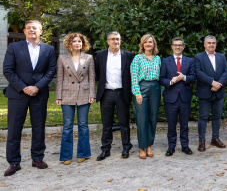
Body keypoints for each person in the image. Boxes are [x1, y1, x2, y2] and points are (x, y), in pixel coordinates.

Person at [3, 20, 56, 176]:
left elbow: (51, 71)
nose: (32, 30)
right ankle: (13, 162)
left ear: (41, 31)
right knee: (14, 129)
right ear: (24, 31)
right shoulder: (14, 47)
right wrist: (24, 87)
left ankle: (37, 158)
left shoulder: (49, 49)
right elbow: (8, 70)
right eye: (29, 28)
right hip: (17, 94)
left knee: (38, 128)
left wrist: (37, 86)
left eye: (35, 28)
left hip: (39, 94)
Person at [55, 32, 95, 165]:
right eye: (74, 41)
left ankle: (83, 153)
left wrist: (91, 94)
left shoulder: (89, 58)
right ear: (69, 44)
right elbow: (59, 78)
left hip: (84, 94)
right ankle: (66, 155)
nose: (77, 43)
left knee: (83, 125)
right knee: (67, 126)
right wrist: (58, 96)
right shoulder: (62, 58)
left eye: (79, 41)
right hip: (67, 94)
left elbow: (91, 78)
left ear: (83, 44)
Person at [95, 31, 134, 161]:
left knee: (124, 123)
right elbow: (97, 74)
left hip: (122, 93)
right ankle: (105, 150)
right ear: (107, 41)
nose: (115, 41)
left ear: (120, 41)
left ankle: (126, 148)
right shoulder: (100, 55)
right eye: (112, 39)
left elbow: (131, 74)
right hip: (106, 93)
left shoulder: (128, 55)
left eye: (118, 39)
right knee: (106, 124)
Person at [160, 37, 196, 156]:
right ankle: (171, 146)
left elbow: (193, 77)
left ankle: (185, 146)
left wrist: (183, 77)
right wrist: (171, 81)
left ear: (183, 47)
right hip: (170, 97)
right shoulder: (165, 61)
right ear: (172, 46)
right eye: (175, 45)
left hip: (184, 98)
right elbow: (161, 79)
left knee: (184, 124)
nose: (178, 47)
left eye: (180, 45)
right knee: (171, 124)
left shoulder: (189, 61)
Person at [194, 35, 227, 151]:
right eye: (209, 43)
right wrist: (212, 82)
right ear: (204, 44)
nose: (211, 45)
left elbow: (226, 71)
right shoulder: (198, 57)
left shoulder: (221, 56)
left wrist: (219, 84)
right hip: (205, 91)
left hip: (219, 92)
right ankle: (202, 141)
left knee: (217, 116)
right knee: (203, 116)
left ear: (216, 44)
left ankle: (215, 138)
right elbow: (198, 73)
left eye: (213, 43)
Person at [131, 34, 161, 159]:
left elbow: (160, 76)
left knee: (152, 118)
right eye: (145, 42)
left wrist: (160, 90)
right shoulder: (138, 58)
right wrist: (137, 92)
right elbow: (134, 77)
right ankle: (141, 147)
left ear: (154, 44)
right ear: (142, 45)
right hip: (141, 88)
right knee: (142, 119)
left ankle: (149, 145)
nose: (148, 44)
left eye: (150, 42)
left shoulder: (158, 59)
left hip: (155, 89)